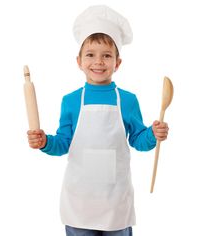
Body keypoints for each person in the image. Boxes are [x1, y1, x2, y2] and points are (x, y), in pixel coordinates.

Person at [27, 5, 169, 236]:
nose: (98, 62)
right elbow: (63, 143)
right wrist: (44, 142)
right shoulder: (70, 101)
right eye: (90, 55)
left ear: (117, 62)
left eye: (107, 56)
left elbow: (139, 140)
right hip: (80, 201)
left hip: (115, 201)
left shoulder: (127, 100)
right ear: (79, 61)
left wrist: (153, 134)